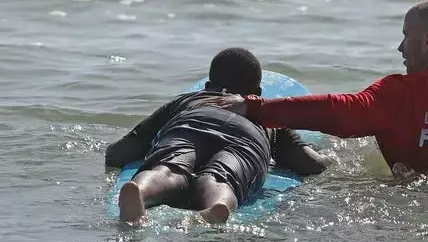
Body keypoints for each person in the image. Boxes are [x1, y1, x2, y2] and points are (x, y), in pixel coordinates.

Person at [209, 0, 428, 175]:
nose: (400, 48)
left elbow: (338, 111)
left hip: (409, 206)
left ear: (427, 41)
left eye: (406, 36)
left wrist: (253, 106)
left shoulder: (399, 95)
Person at [105, 48, 331, 224]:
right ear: (258, 94)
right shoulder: (264, 112)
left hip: (191, 124)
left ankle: (141, 191)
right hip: (246, 137)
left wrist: (112, 154)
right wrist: (331, 157)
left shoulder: (188, 100)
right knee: (220, 177)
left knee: (167, 168)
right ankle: (217, 205)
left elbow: (127, 147)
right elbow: (306, 163)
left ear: (207, 86)